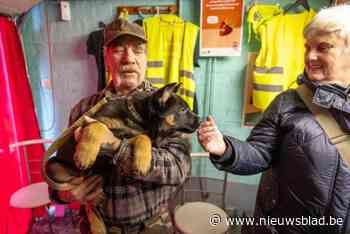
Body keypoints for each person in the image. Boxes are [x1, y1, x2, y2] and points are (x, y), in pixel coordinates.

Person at [197, 5, 350, 234]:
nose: (310, 56)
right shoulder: (289, 102)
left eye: (324, 48)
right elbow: (258, 153)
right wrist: (225, 148)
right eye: (308, 47)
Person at [47, 19, 191, 234]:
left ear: (146, 58)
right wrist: (66, 193)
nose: (129, 58)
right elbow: (62, 166)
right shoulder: (84, 109)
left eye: (138, 50)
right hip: (96, 226)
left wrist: (117, 147)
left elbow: (180, 169)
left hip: (152, 227)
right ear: (106, 58)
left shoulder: (168, 107)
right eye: (118, 50)